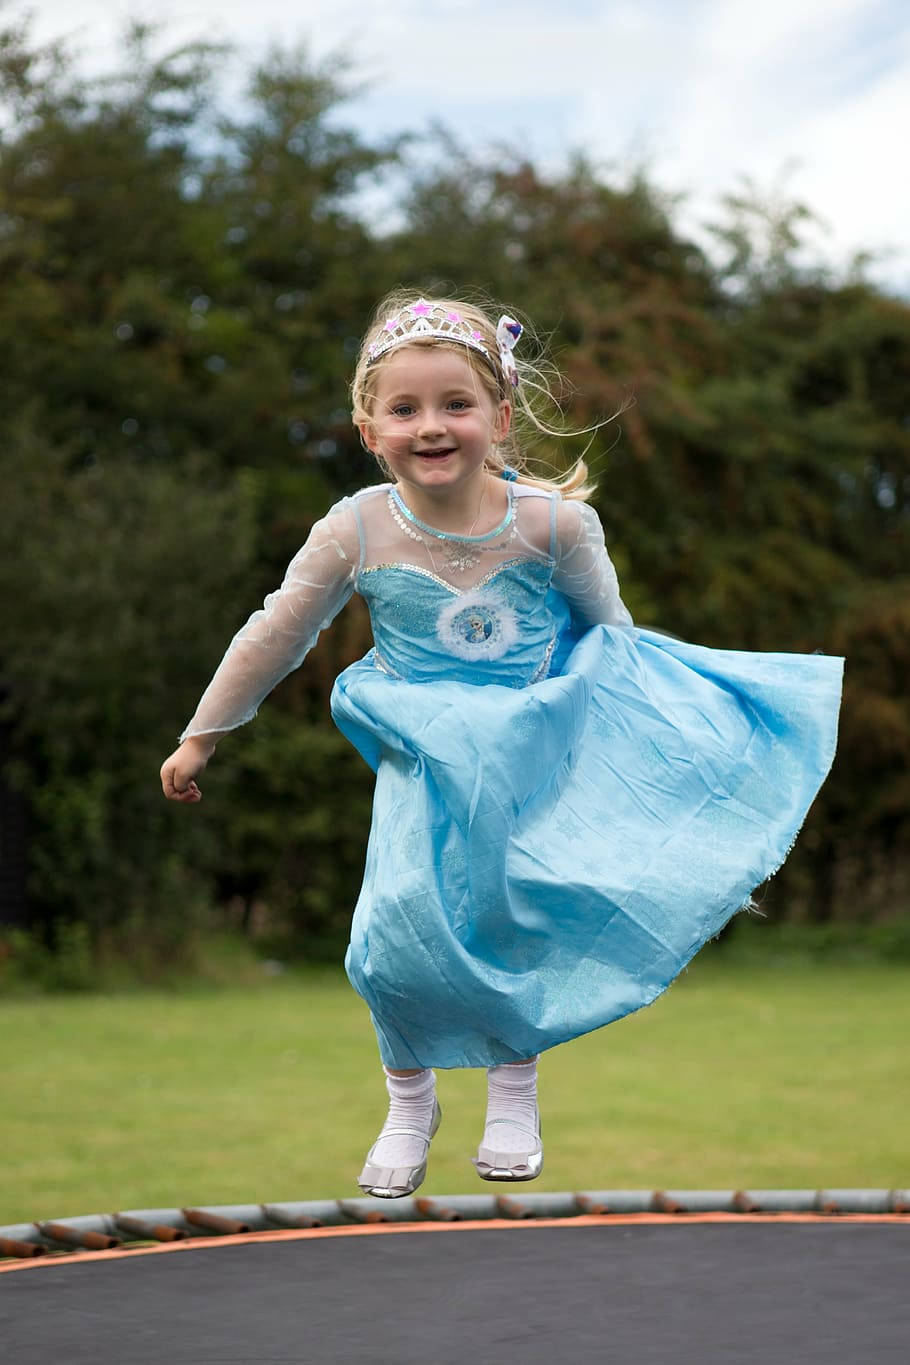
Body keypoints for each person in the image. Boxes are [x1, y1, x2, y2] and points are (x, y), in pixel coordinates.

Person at [160, 290, 844, 1199]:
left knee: (511, 916)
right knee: (385, 941)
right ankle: (410, 1102)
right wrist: (203, 732)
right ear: (370, 429)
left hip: (530, 753)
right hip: (424, 755)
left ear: (501, 417)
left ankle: (514, 1088)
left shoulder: (554, 525)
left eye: (455, 404)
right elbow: (275, 631)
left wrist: (653, 760)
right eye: (403, 409)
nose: (430, 426)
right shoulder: (355, 528)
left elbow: (617, 645)